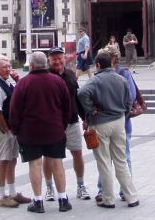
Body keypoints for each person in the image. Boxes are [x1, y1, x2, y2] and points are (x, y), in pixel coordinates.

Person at [9, 51, 72, 213]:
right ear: (46, 64)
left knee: (35, 164)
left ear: (30, 65)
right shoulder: (58, 81)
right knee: (57, 163)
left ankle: (38, 201)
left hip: (30, 133)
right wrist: (62, 125)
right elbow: (67, 106)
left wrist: (15, 130)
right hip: (55, 130)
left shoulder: (23, 83)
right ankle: (63, 199)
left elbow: (14, 110)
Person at [78, 51, 139, 209]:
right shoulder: (121, 78)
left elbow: (82, 93)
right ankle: (131, 196)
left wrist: (91, 110)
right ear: (111, 63)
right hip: (119, 121)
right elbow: (129, 100)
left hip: (101, 122)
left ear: (98, 65)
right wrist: (123, 113)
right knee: (121, 160)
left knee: (104, 162)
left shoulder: (96, 80)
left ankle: (108, 198)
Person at [43, 48, 91, 202]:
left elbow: (76, 98)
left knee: (77, 152)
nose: (57, 61)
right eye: (53, 59)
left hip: (71, 122)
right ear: (48, 61)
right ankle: (50, 187)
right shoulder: (45, 76)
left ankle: (80, 185)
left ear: (64, 59)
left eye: (59, 58)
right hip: (52, 125)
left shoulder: (70, 74)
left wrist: (84, 117)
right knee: (49, 157)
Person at [0, 55, 31, 208]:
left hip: (9, 129)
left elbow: (19, 94)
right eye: (5, 67)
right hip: (1, 129)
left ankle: (12, 193)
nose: (8, 69)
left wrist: (18, 80)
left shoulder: (5, 82)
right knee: (4, 160)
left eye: (9, 66)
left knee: (12, 160)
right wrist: (6, 130)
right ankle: (1, 196)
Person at [95, 44, 137, 203]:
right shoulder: (100, 74)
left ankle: (123, 191)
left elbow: (131, 96)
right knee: (107, 157)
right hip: (115, 121)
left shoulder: (123, 73)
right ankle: (103, 189)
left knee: (122, 156)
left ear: (111, 59)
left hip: (120, 123)